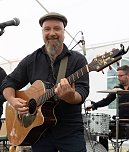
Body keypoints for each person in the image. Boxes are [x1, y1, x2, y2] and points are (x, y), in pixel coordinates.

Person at [1, 12, 89, 152]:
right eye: (47, 29)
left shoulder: (78, 60)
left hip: (69, 130)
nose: (52, 33)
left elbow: (82, 93)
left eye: (57, 28)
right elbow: (8, 83)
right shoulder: (32, 60)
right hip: (39, 132)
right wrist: (12, 100)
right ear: (42, 32)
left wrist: (69, 95)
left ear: (64, 31)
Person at [86, 65, 129, 151]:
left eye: (120, 76)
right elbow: (106, 101)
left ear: (128, 75)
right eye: (117, 76)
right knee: (103, 130)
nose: (118, 78)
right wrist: (94, 105)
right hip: (119, 119)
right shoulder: (117, 88)